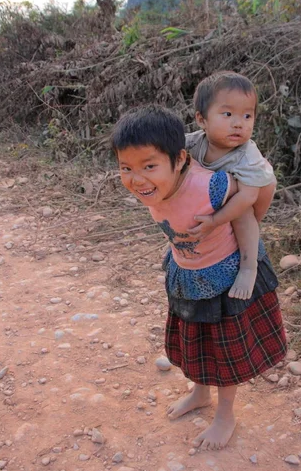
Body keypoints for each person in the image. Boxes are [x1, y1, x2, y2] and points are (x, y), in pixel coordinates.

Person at [111, 105, 286, 451]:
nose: (137, 178)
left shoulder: (213, 185)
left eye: (149, 166)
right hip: (187, 274)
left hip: (226, 275)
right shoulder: (153, 187)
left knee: (224, 351)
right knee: (196, 343)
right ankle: (200, 393)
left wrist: (249, 268)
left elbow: (250, 209)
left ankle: (225, 414)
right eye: (126, 168)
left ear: (178, 160)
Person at [186, 71, 277, 300]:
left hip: (253, 198)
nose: (239, 124)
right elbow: (169, 146)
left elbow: (248, 197)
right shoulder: (195, 141)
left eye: (248, 116)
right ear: (201, 119)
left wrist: (216, 221)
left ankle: (249, 267)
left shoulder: (246, 156)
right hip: (221, 193)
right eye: (227, 114)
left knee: (242, 215)